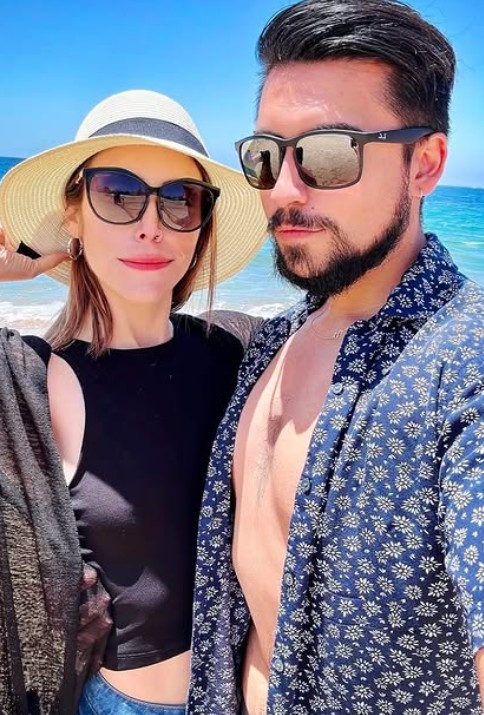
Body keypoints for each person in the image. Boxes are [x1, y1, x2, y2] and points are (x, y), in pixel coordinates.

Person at [186, 1, 484, 713]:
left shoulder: (462, 362)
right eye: (266, 156)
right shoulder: (274, 340)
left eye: (328, 153)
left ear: (425, 164)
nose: (284, 191)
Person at [0, 89, 267, 714]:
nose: (151, 224)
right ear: (73, 214)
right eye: (118, 194)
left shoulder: (241, 349)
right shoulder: (27, 380)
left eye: (180, 198)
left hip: (243, 696)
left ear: (202, 223)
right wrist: (18, 267)